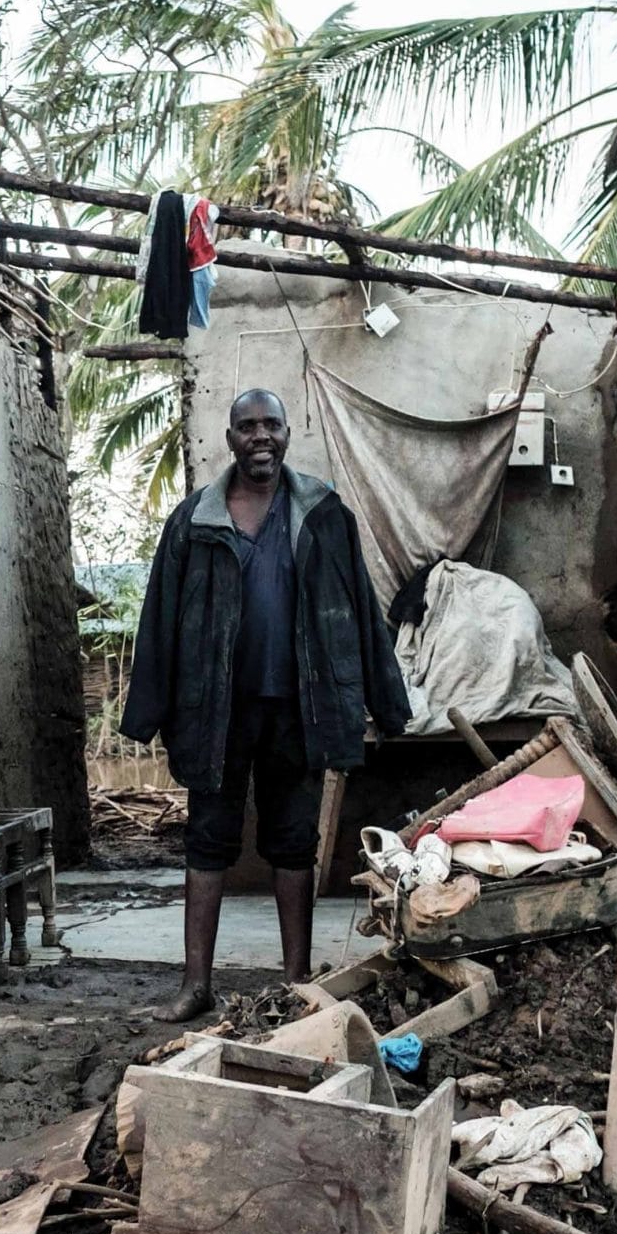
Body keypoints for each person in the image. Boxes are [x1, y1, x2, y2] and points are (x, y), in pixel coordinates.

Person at [121, 388, 410, 1021]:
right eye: (247, 426)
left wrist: (387, 706)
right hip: (213, 709)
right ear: (229, 439)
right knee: (207, 839)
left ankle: (297, 982)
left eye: (270, 425)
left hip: (297, 707)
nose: (260, 436)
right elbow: (160, 617)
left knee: (292, 841)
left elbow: (359, 608)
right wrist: (146, 714)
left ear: (286, 434)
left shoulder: (323, 513)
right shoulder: (195, 521)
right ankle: (196, 986)